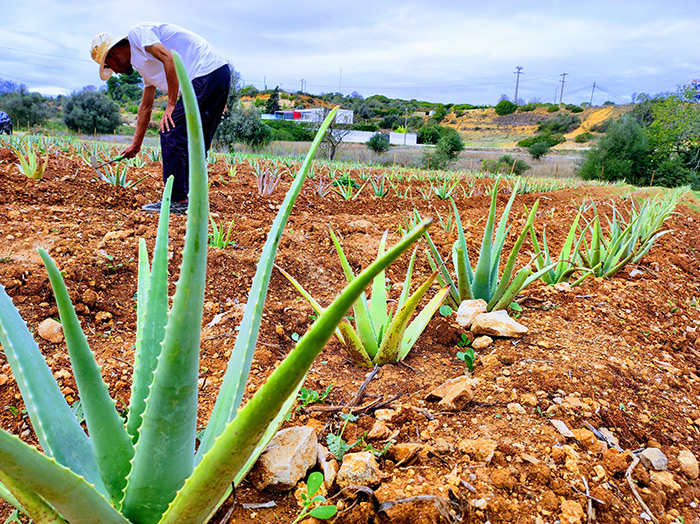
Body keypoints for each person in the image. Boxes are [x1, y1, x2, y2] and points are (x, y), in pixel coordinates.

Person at [90, 23, 231, 214]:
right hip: (218, 74)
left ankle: (176, 200)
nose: (114, 72)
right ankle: (192, 199)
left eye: (109, 66)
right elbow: (146, 106)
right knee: (195, 141)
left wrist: (171, 104)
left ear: (112, 54)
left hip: (205, 72)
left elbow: (169, 58)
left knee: (170, 129)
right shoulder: (143, 65)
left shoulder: (138, 36)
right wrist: (136, 144)